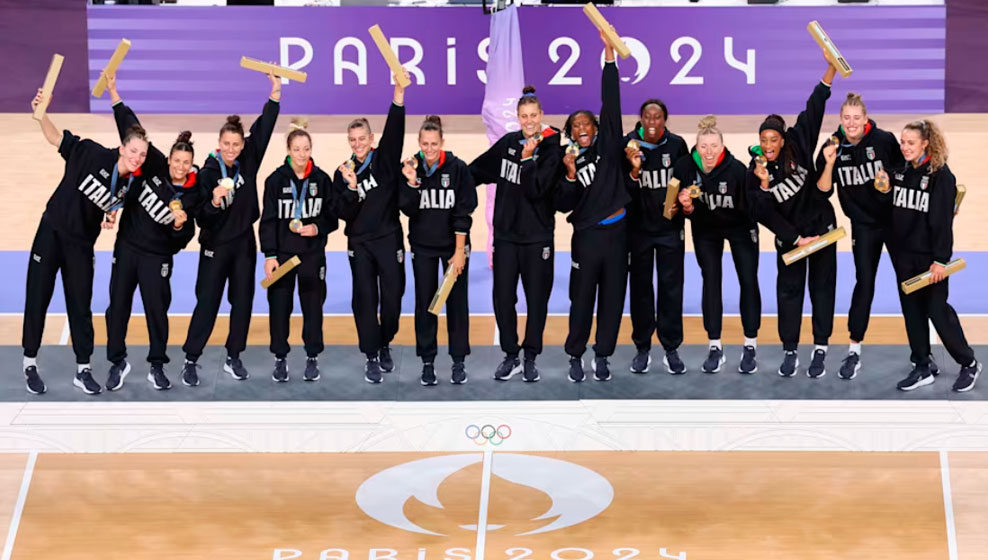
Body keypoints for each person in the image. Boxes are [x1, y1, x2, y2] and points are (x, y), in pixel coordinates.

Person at [23, 88, 148, 395]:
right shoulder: (90, 152)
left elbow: (109, 204)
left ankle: (83, 369)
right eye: (133, 151)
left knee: (80, 306)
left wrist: (108, 214)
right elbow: (56, 139)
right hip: (51, 233)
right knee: (38, 297)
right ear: (122, 148)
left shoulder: (129, 185)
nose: (137, 158)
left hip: (81, 246)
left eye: (142, 154)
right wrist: (42, 113)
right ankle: (29, 363)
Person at [180, 70, 281, 386]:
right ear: (219, 143)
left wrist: (275, 93)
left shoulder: (248, 160)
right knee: (207, 301)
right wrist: (211, 202)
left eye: (236, 144)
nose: (232, 149)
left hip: (243, 244)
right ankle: (191, 359)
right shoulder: (208, 172)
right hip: (214, 244)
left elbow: (263, 129)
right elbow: (201, 218)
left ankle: (233, 355)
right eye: (227, 144)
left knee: (243, 301)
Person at [104, 74, 198, 391]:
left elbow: (184, 240)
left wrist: (179, 226)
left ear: (192, 165)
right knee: (117, 306)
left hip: (157, 257)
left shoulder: (192, 196)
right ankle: (117, 361)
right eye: (177, 160)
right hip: (127, 248)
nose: (180, 167)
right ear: (169, 158)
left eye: (187, 163)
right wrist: (116, 95)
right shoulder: (155, 164)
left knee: (156, 312)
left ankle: (157, 365)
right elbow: (131, 131)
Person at [747, 60, 841, 378]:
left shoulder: (799, 142)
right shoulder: (756, 170)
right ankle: (790, 351)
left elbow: (815, 105)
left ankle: (820, 348)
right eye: (764, 140)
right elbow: (762, 212)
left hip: (822, 230)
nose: (768, 145)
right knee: (789, 292)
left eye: (773, 139)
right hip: (791, 240)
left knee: (822, 288)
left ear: (783, 139)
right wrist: (762, 185)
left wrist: (829, 71)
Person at [814, 93, 915, 380]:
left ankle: (921, 355)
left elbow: (904, 169)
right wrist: (830, 163)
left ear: (865, 119)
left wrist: (889, 181)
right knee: (865, 283)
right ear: (840, 120)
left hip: (895, 221)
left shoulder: (883, 140)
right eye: (846, 118)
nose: (851, 123)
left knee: (907, 284)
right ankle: (854, 350)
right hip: (863, 226)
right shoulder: (832, 146)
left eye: (856, 118)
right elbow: (822, 191)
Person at [469, 87, 561, 383]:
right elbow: (476, 171)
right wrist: (442, 179)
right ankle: (511, 355)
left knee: (537, 301)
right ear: (518, 117)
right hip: (507, 238)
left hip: (537, 238)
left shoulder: (552, 147)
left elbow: (539, 188)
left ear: (541, 115)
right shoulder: (508, 143)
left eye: (534, 115)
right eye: (524, 116)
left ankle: (531, 355)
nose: (529, 121)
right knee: (502, 298)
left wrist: (529, 158)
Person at [555, 33, 631, 383]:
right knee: (582, 299)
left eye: (586, 124)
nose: (581, 128)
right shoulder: (568, 160)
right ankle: (575, 354)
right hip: (585, 238)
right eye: (575, 126)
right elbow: (562, 204)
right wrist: (570, 175)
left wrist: (609, 56)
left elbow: (610, 100)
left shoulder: (610, 146)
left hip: (618, 235)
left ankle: (602, 356)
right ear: (571, 133)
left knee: (613, 301)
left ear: (597, 129)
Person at [886, 119, 981, 392]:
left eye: (910, 143)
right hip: (903, 255)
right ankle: (922, 365)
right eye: (902, 142)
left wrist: (941, 259)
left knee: (937, 311)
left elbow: (942, 223)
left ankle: (969, 363)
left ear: (925, 143)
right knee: (912, 311)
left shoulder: (941, 176)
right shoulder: (901, 170)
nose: (904, 147)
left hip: (930, 259)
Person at [332, 71, 408, 384]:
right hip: (360, 244)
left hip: (389, 238)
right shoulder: (343, 173)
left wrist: (398, 93)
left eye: (362, 139)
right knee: (364, 298)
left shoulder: (384, 160)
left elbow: (396, 129)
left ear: (371, 139)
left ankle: (385, 339)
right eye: (353, 140)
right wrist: (350, 188)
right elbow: (342, 213)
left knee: (393, 298)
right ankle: (372, 354)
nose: (358, 144)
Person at [675, 116, 761, 374]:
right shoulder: (684, 168)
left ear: (722, 147)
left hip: (740, 227)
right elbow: (672, 207)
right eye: (704, 146)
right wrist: (685, 208)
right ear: (696, 147)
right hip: (706, 229)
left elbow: (755, 208)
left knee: (748, 279)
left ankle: (750, 345)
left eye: (714, 146)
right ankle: (715, 346)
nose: (709, 152)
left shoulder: (736, 171)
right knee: (710, 280)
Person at [399, 116, 477, 385]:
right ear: (418, 143)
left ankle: (458, 362)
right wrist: (410, 182)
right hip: (422, 247)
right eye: (424, 143)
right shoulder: (410, 167)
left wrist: (459, 252)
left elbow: (463, 213)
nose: (429, 148)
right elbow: (407, 208)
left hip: (453, 248)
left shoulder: (458, 169)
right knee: (426, 305)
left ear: (442, 142)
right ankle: (428, 362)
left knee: (456, 304)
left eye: (434, 143)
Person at [260, 118, 337, 383]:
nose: (302, 154)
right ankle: (280, 357)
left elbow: (332, 217)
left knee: (313, 307)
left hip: (312, 255)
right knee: (279, 307)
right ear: (288, 150)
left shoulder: (322, 180)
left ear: (311, 149)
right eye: (297, 149)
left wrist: (317, 228)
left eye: (306, 149)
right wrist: (269, 255)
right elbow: (268, 221)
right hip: (283, 256)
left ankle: (312, 356)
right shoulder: (274, 180)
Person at [623, 98, 689, 375]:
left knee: (671, 289)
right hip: (638, 231)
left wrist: (682, 204)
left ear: (665, 119)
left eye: (657, 117)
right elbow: (621, 186)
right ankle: (642, 347)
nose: (652, 122)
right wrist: (634, 170)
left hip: (669, 230)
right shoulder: (628, 146)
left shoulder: (677, 145)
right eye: (648, 117)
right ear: (640, 119)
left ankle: (671, 347)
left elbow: (686, 181)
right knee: (640, 290)